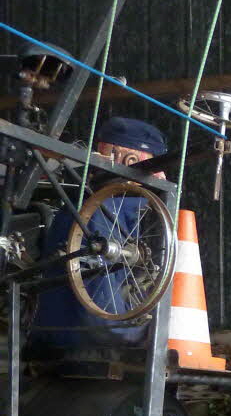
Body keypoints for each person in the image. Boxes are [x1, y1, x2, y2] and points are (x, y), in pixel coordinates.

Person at [28, 117, 169, 354]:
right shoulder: (103, 214)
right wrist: (153, 335)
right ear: (129, 160)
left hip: (55, 342)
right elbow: (104, 316)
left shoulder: (77, 208)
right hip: (89, 350)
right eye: (155, 165)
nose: (162, 177)